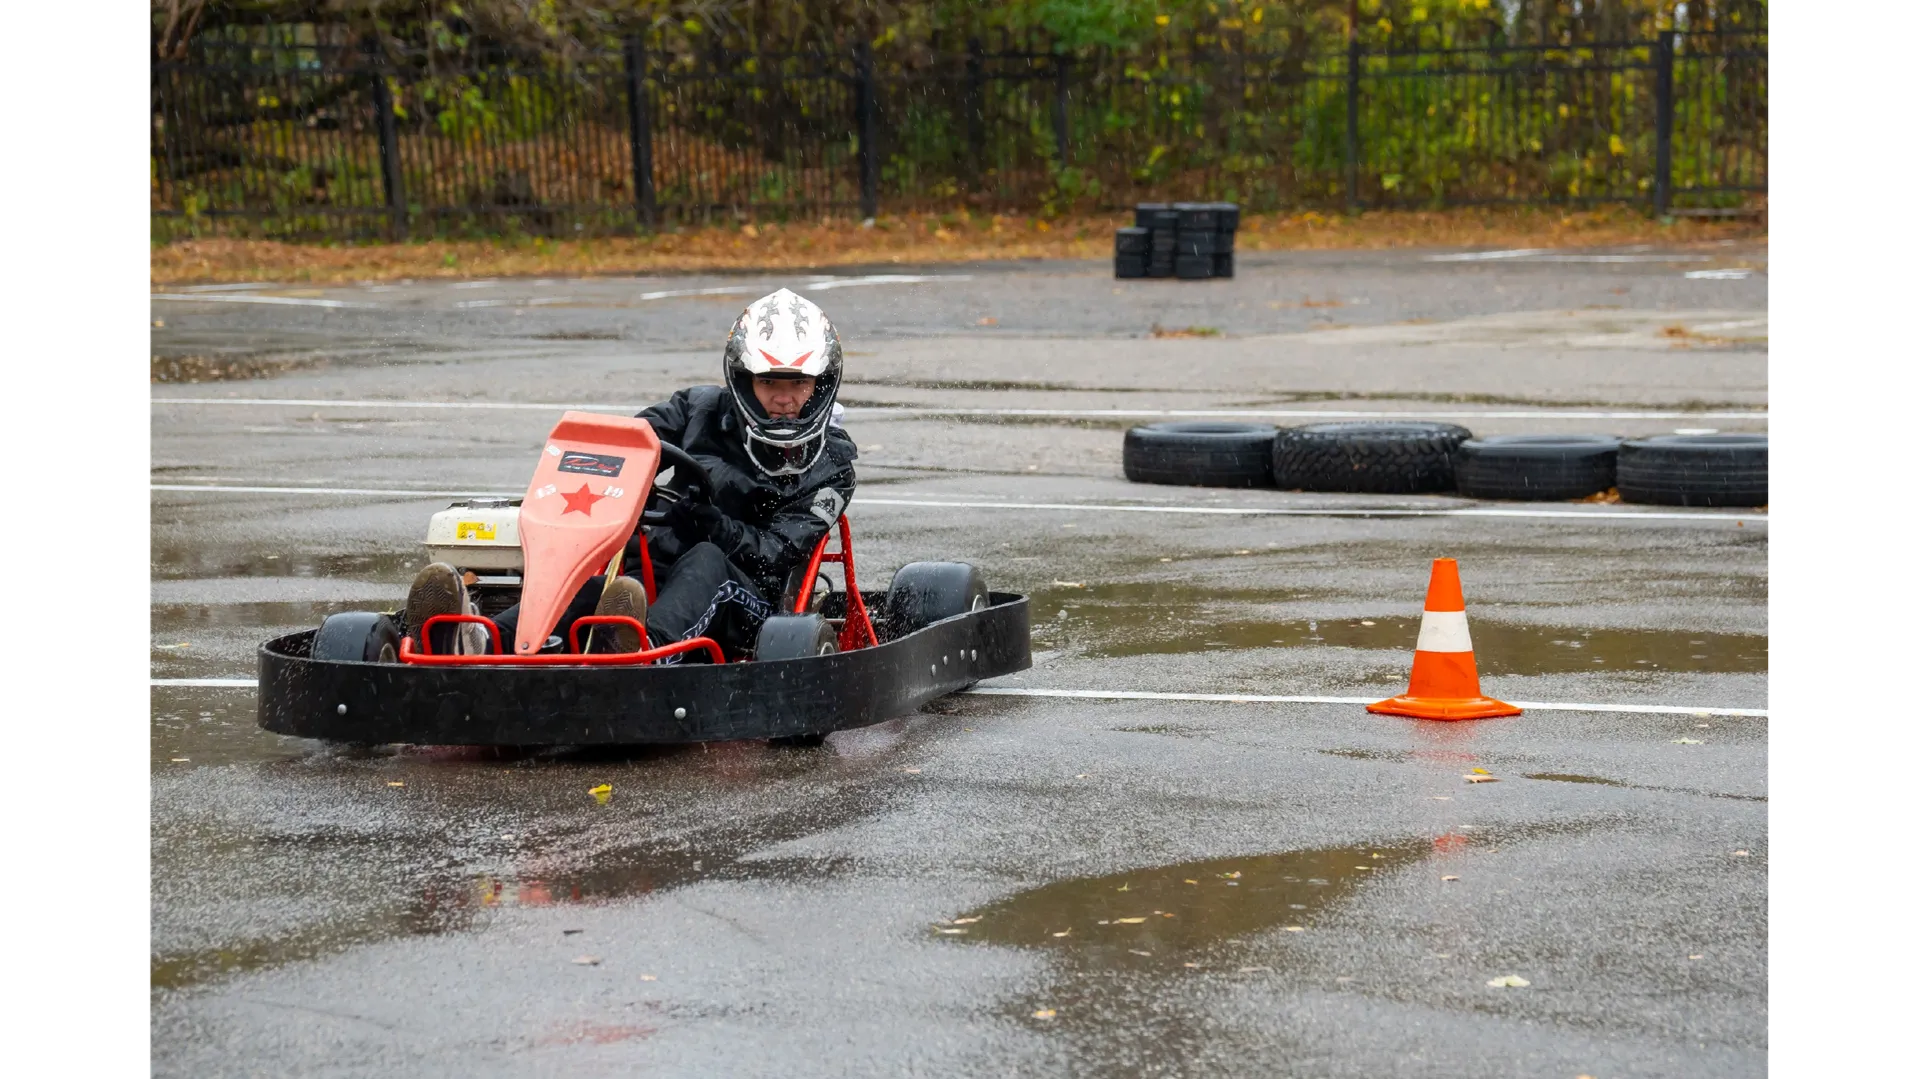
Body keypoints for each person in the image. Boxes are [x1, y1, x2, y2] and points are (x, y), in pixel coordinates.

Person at [403, 287, 856, 660]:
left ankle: (646, 650)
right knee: (598, 583)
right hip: (655, 573)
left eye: (798, 383)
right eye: (768, 382)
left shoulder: (832, 466)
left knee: (706, 561)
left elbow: (777, 554)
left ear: (820, 383)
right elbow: (619, 443)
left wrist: (716, 527)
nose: (783, 398)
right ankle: (479, 642)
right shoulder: (696, 409)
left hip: (754, 603)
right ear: (741, 380)